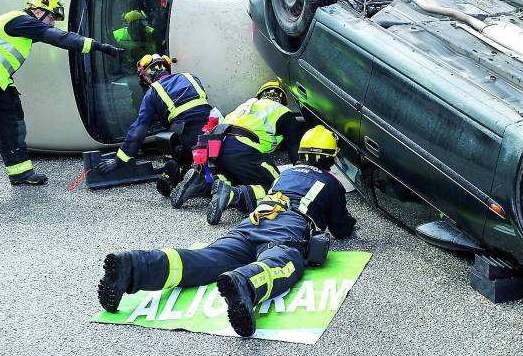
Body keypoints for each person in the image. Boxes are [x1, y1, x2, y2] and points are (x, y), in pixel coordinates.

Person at [97, 125, 356, 337]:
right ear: (330, 158)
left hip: (251, 224)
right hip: (286, 230)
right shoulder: (331, 183)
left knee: (204, 260)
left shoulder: (284, 176)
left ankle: (134, 266)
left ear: (301, 153)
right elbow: (342, 228)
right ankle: (244, 283)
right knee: (284, 264)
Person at [0, 0, 124, 202]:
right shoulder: (20, 20)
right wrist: (99, 46)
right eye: (51, 17)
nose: (52, 23)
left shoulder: (25, 29)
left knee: (12, 124)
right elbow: (59, 37)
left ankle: (20, 172)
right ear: (36, 10)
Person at [170, 80, 305, 225]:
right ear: (282, 99)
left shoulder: (245, 106)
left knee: (239, 181)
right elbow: (294, 146)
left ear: (260, 94)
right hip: (243, 149)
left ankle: (200, 183)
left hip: (218, 148)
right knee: (280, 189)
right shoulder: (282, 111)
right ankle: (233, 196)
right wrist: (302, 171)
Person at [96, 54, 211, 196]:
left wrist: (119, 160)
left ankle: (181, 167)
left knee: (168, 137)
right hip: (213, 130)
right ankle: (197, 167)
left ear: (148, 77)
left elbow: (138, 130)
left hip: (187, 139)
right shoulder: (190, 77)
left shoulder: (153, 92)